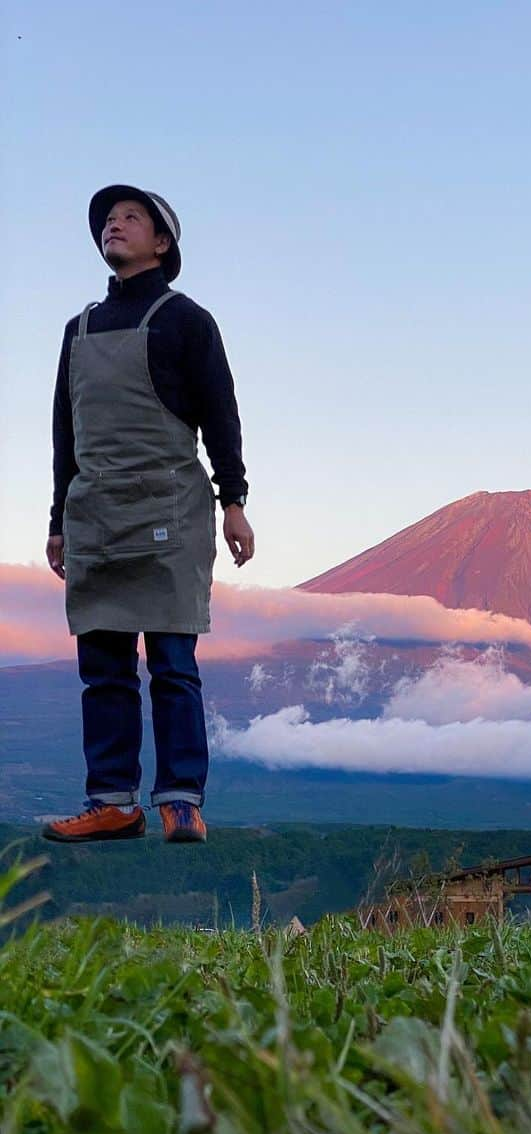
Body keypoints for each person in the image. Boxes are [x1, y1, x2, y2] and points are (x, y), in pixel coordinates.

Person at [41, 184, 254, 844]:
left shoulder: (187, 321)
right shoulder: (77, 331)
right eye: (108, 220)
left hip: (170, 510)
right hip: (95, 513)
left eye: (132, 217)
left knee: (171, 659)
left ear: (162, 242)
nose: (115, 225)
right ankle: (112, 802)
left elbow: (220, 414)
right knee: (102, 667)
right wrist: (57, 521)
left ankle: (181, 800)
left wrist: (235, 501)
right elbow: (65, 436)